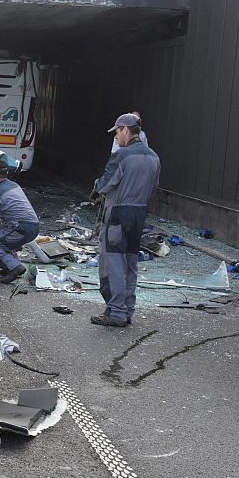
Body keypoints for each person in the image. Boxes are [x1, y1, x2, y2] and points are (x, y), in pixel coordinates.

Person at [92, 113, 160, 327]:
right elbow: (154, 187)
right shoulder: (154, 156)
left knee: (113, 263)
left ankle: (117, 312)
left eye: (117, 133)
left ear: (124, 130)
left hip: (118, 214)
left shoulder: (121, 155)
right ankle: (128, 309)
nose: (116, 138)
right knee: (130, 263)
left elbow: (105, 184)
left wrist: (96, 185)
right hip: (139, 214)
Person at [0, 160, 40, 284]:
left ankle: (15, 267)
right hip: (33, 226)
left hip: (22, 228)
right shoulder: (14, 185)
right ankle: (10, 266)